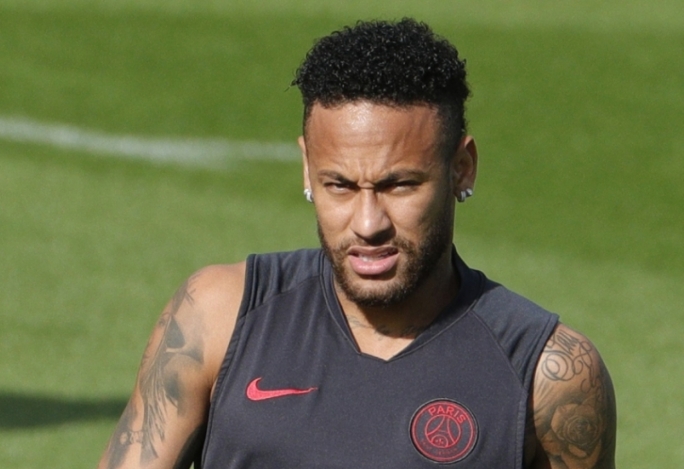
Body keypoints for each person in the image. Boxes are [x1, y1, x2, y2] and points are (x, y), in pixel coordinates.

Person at [98, 18, 616, 469]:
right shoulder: (215, 316)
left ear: (462, 168)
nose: (368, 224)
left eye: (399, 185)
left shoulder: (549, 375)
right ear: (307, 167)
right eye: (339, 185)